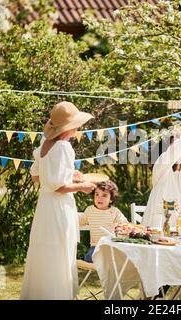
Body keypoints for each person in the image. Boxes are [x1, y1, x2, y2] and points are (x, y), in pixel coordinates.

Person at [21, 101, 96, 300]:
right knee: (59, 251)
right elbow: (59, 187)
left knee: (45, 252)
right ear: (69, 127)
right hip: (59, 207)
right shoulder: (64, 147)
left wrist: (71, 174)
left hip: (44, 206)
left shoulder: (44, 145)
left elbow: (38, 177)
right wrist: (83, 186)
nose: (78, 128)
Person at [141, 126, 181, 299]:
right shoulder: (160, 170)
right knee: (168, 259)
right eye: (176, 147)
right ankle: (157, 297)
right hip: (159, 236)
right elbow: (171, 154)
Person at [79, 180, 128, 263]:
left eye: (104, 195)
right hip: (96, 246)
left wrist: (118, 229)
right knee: (90, 257)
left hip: (112, 245)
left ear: (111, 199)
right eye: (97, 194)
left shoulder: (115, 211)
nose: (99, 198)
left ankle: (111, 269)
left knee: (118, 258)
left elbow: (125, 225)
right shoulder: (90, 210)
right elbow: (80, 221)